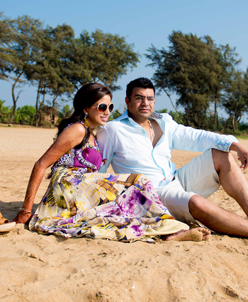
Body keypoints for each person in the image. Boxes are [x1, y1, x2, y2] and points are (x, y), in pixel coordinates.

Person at [97, 78, 248, 259]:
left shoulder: (164, 122)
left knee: (220, 153)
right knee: (196, 202)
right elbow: (100, 168)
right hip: (152, 194)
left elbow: (197, 136)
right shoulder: (113, 130)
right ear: (127, 101)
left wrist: (234, 144)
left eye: (150, 98)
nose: (145, 103)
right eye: (139, 98)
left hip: (176, 179)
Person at [13, 82, 196, 242]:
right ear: (86, 108)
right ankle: (170, 227)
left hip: (82, 187)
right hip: (68, 186)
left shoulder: (93, 133)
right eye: (102, 107)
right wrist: (26, 210)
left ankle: (167, 227)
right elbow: (41, 164)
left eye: (110, 107)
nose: (107, 112)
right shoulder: (77, 129)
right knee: (137, 181)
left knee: (129, 195)